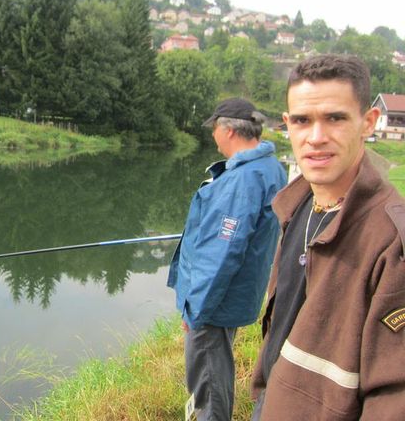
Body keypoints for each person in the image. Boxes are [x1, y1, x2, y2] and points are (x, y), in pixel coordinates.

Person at [251, 54, 405, 420]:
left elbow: (393, 397)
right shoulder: (296, 204)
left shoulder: (391, 243)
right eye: (302, 120)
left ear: (368, 122)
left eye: (335, 118)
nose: (316, 138)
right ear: (287, 124)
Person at [167, 97, 287, 421]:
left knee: (207, 380)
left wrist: (196, 307)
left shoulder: (242, 180)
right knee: (216, 370)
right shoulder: (270, 167)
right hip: (234, 294)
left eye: (214, 129)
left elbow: (223, 253)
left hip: (215, 302)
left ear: (228, 130)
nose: (213, 135)